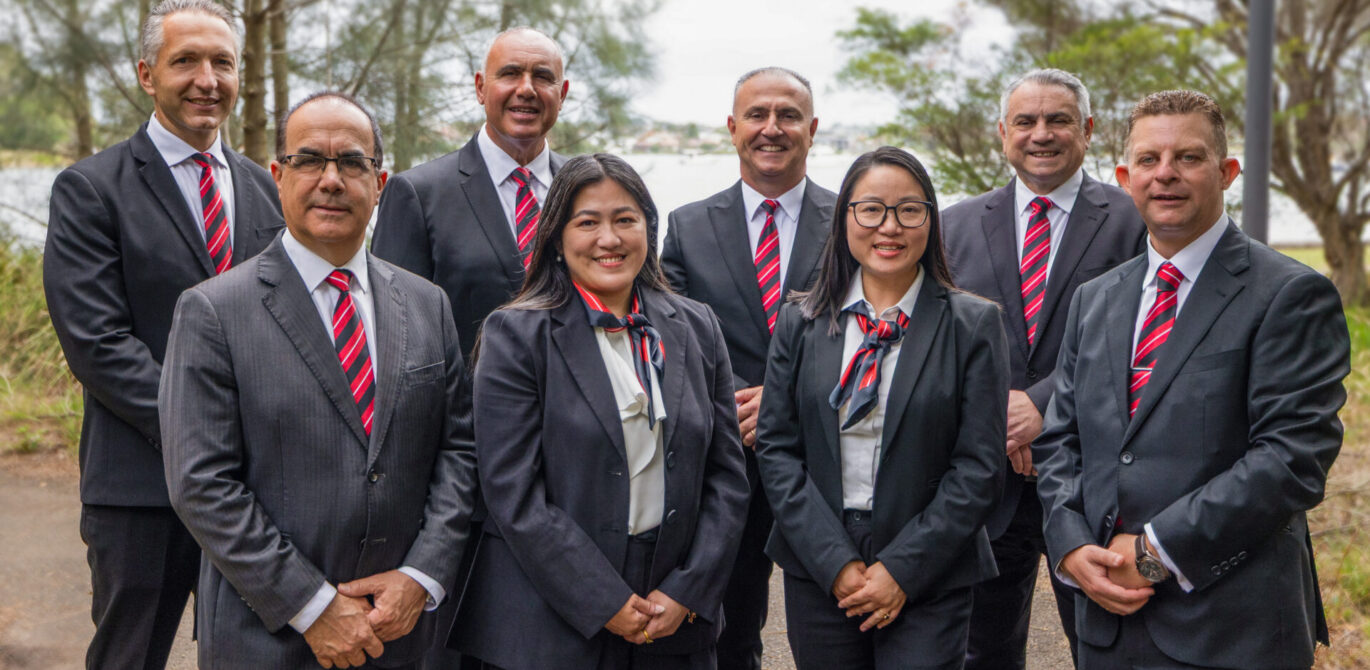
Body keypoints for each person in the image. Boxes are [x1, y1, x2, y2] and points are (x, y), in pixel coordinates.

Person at [160, 91, 478, 669]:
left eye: (352, 162)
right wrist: (313, 606)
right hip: (270, 637)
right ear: (278, 176)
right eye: (309, 160)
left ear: (379, 183)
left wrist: (422, 574)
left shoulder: (427, 303)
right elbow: (201, 483)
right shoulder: (213, 311)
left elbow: (458, 451)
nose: (331, 180)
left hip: (401, 633)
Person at [1035, 90, 1350, 669]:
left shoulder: (1290, 295)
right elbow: (1060, 439)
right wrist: (1070, 543)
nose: (1166, 174)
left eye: (1188, 157)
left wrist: (1154, 552)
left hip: (1233, 629)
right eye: (1149, 160)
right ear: (1125, 178)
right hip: (1107, 626)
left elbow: (1292, 457)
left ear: (1227, 172)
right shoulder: (1093, 300)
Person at [42, 1, 285, 666]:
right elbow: (98, 344)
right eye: (186, 61)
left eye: (222, 63)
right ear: (148, 75)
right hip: (142, 490)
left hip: (258, 493)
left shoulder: (267, 191)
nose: (207, 79)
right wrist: (209, 430)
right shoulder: (91, 190)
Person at [450, 154, 750, 669]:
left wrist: (689, 589)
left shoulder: (697, 326)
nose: (608, 239)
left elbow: (727, 478)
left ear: (648, 229)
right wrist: (602, 598)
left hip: (674, 620)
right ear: (557, 239)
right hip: (552, 621)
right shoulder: (516, 334)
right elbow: (512, 492)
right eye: (587, 222)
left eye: (625, 219)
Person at [756, 146, 1009, 670]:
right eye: (871, 209)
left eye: (909, 210)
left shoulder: (973, 325)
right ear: (844, 218)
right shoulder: (800, 322)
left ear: (930, 220)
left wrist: (901, 570)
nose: (889, 227)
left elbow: (979, 467)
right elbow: (777, 450)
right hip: (821, 559)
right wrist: (836, 563)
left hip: (930, 561)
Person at [940, 68, 1146, 670]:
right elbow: (937, 342)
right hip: (986, 478)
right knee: (982, 650)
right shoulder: (953, 225)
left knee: (1104, 645)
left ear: (1088, 129)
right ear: (1002, 132)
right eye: (1025, 121)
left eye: (1058, 120)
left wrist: (1042, 404)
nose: (1041, 134)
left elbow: (1145, 339)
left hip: (1091, 480)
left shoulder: (1135, 220)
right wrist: (1002, 416)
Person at [659, 66, 836, 670]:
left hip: (822, 455)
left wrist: (784, 399)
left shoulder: (853, 221)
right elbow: (673, 335)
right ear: (733, 127)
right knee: (729, 631)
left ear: (812, 128)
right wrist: (736, 397)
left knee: (835, 625)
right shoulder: (686, 225)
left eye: (788, 115)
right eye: (757, 115)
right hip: (726, 450)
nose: (772, 128)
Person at [372, 26, 569, 363]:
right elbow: (394, 331)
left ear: (561, 94)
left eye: (542, 76)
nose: (526, 89)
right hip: (467, 396)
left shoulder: (585, 190)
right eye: (510, 74)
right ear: (480, 87)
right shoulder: (417, 194)